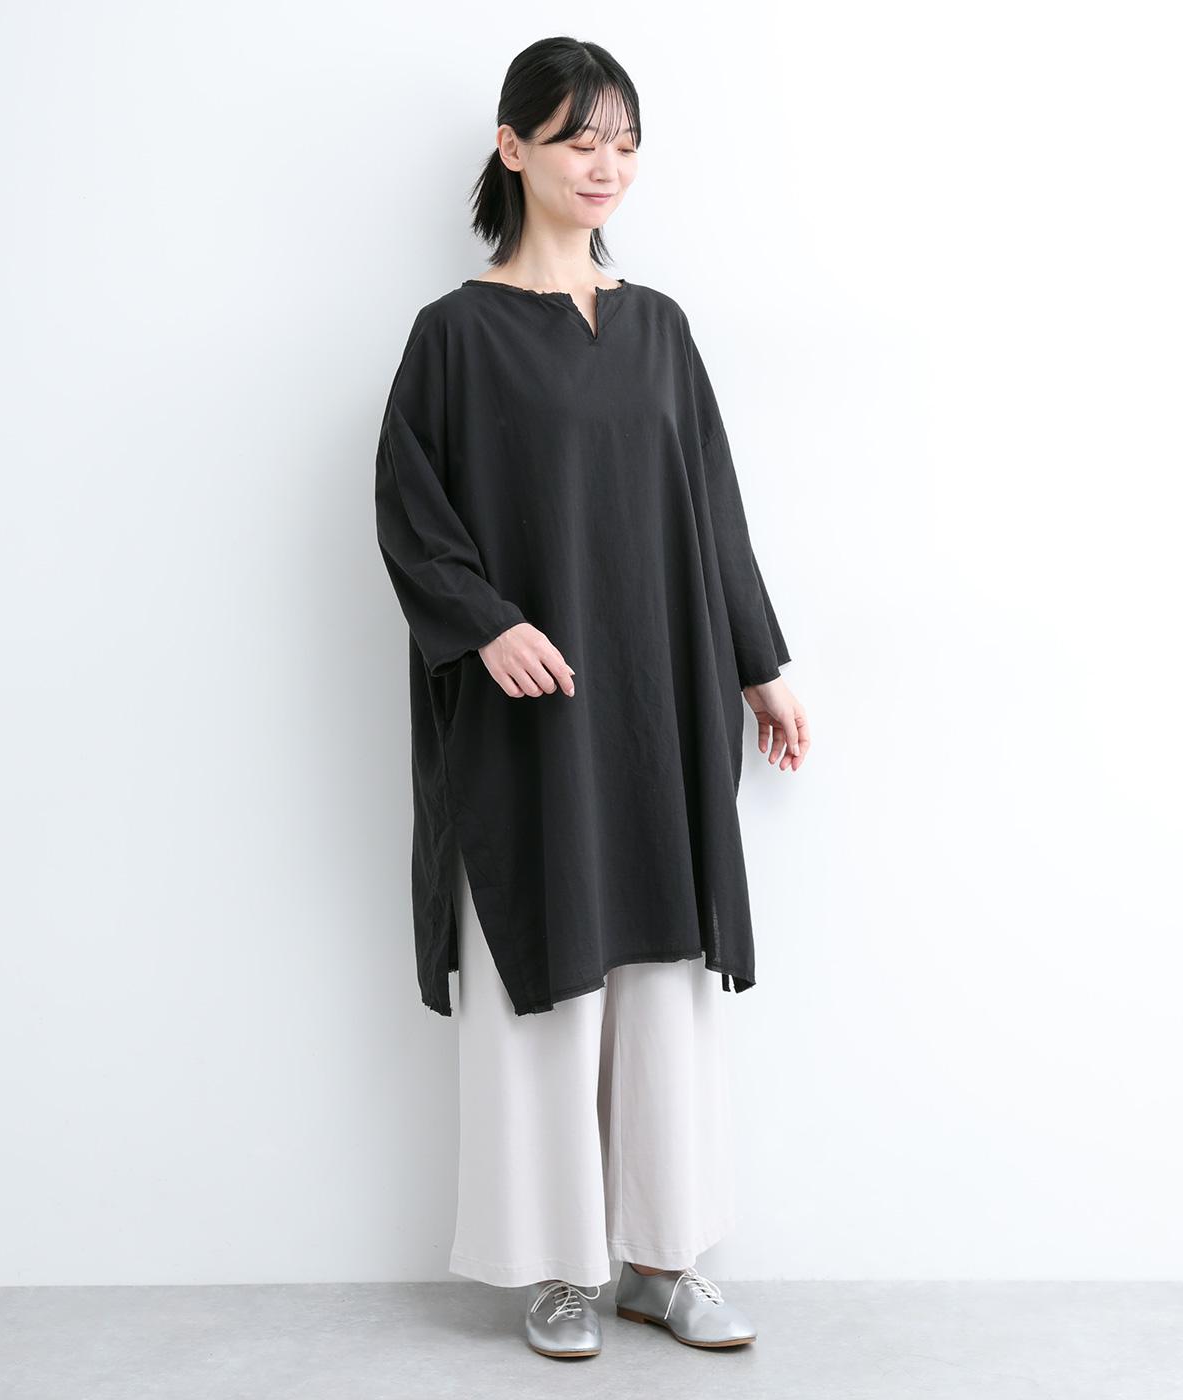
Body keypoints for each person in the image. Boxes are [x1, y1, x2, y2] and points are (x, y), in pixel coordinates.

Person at [374, 37, 810, 1359]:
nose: (604, 164)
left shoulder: (660, 329)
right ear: (514, 149)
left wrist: (762, 664)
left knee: (665, 985)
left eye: (623, 141)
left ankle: (663, 1264)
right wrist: (486, 624)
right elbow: (409, 513)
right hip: (528, 722)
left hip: (661, 708)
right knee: (545, 986)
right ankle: (557, 1270)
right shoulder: (454, 336)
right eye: (578, 139)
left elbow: (713, 507)